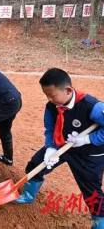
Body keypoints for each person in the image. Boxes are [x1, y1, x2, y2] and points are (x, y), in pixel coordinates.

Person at [15, 68, 104, 229]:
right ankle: (29, 194)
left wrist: (87, 139)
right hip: (63, 144)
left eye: (52, 95)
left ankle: (100, 222)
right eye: (46, 95)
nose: (49, 99)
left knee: (92, 190)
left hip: (89, 153)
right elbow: (50, 129)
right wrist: (50, 148)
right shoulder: (51, 106)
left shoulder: (92, 107)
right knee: (36, 164)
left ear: (68, 90)